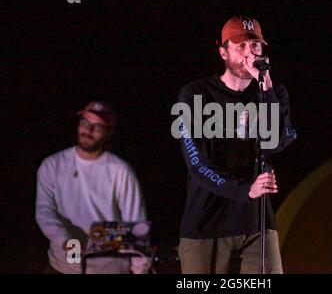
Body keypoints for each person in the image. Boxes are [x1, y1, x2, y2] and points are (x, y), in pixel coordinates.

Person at [176, 16, 297, 273]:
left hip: (257, 225)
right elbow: (196, 164)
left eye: (255, 46)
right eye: (240, 46)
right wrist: (245, 191)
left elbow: (277, 141)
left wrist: (267, 89)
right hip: (207, 226)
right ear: (223, 52)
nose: (248, 53)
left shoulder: (272, 93)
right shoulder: (196, 95)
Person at [36, 101, 150, 274]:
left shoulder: (121, 171)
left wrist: (139, 268)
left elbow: (136, 223)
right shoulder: (53, 165)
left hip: (109, 268)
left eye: (97, 126)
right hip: (63, 267)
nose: (88, 130)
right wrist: (64, 239)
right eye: (84, 122)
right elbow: (44, 210)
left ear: (109, 133)